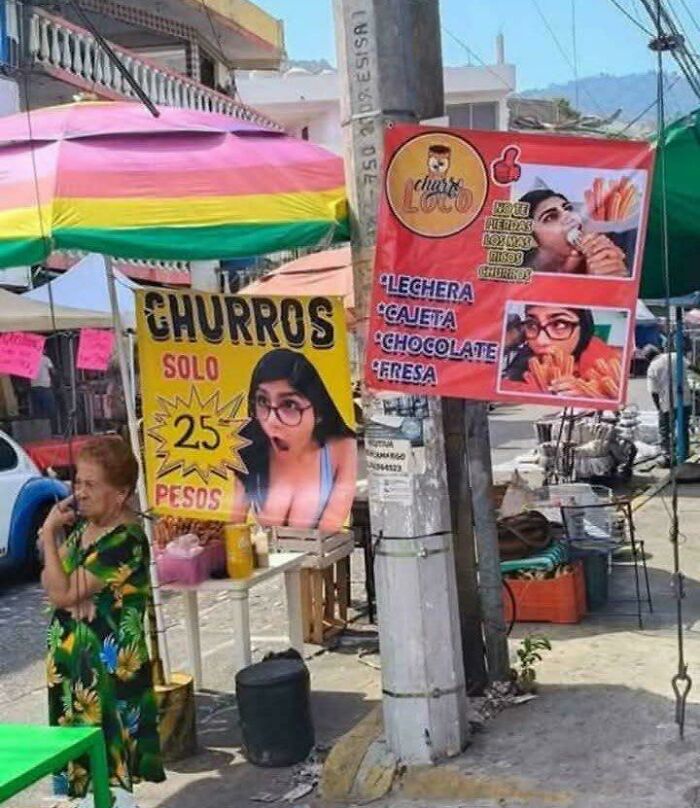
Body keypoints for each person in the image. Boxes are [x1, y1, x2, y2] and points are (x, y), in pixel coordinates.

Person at [40, 436, 165, 807]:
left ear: (121, 493)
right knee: (82, 774)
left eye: (90, 485)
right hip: (74, 673)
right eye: (77, 482)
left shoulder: (124, 539)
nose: (80, 492)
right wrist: (68, 578)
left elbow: (62, 593)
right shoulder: (86, 529)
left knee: (111, 773)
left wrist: (48, 534)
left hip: (107, 676)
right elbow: (51, 583)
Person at [233, 348, 357, 533]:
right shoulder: (249, 447)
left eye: (289, 405)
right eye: (262, 401)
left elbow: (328, 531)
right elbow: (234, 527)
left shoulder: (342, 448)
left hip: (319, 559)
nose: (272, 421)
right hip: (267, 560)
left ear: (318, 412)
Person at [502, 305, 623, 400]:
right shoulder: (522, 361)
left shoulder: (608, 366)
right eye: (532, 325)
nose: (540, 341)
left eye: (559, 324)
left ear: (584, 328)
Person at [519, 189, 632, 277]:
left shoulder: (620, 243)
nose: (570, 216)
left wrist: (618, 281)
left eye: (568, 209)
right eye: (550, 217)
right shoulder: (522, 285)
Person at [646, 340, 694, 467]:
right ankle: (683, 454)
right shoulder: (675, 356)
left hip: (667, 403)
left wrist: (659, 409)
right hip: (685, 399)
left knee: (665, 430)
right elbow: (692, 368)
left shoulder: (652, 367)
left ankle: (667, 456)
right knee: (683, 428)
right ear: (658, 351)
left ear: (647, 358)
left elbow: (654, 392)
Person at [31, 351, 58, 434]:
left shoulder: (31, 359)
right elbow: (53, 372)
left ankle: (41, 433)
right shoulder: (46, 359)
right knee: (50, 411)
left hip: (34, 387)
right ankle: (52, 432)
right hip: (45, 387)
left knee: (38, 412)